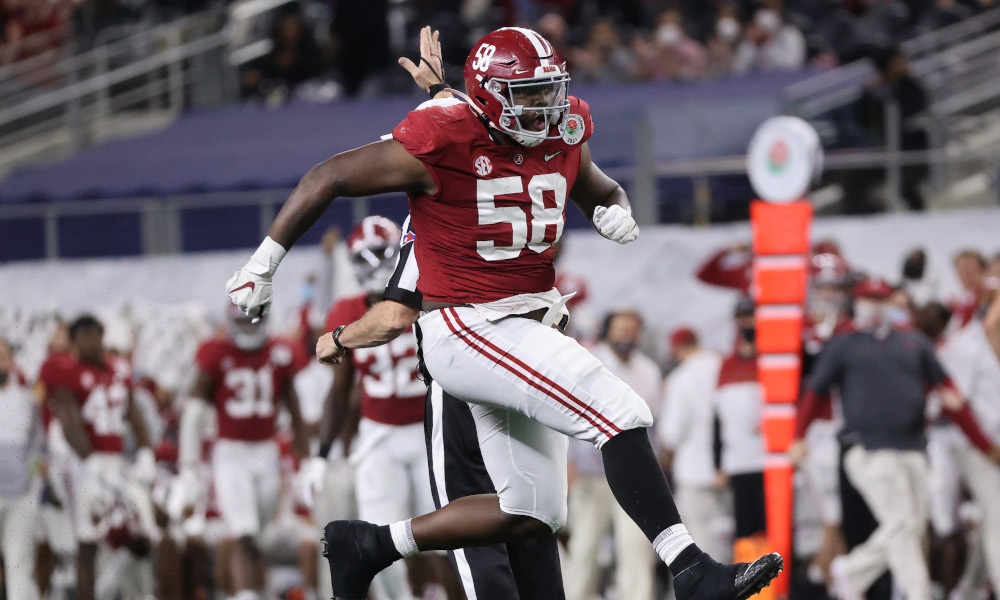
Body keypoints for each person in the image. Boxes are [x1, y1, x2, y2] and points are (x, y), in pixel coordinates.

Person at [226, 25, 782, 600]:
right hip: (470, 325)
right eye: (528, 94)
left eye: (549, 91)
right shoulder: (443, 139)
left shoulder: (561, 130)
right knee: (619, 409)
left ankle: (370, 545)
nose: (545, 107)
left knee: (533, 511)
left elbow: (598, 188)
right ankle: (689, 569)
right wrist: (263, 265)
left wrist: (613, 207)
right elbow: (329, 176)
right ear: (489, 95)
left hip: (525, 322)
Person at [790, 278, 1000, 600]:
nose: (874, 304)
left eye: (881, 298)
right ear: (857, 302)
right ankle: (917, 594)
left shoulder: (914, 343)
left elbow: (948, 389)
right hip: (870, 448)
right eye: (868, 298)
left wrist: (969, 422)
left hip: (914, 447)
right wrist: (798, 435)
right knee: (902, 523)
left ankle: (853, 570)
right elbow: (815, 391)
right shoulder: (845, 344)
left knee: (912, 528)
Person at [301, 215, 454, 600]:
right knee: (380, 539)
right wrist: (321, 454)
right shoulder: (345, 311)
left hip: (431, 432)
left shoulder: (429, 296)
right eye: (364, 259)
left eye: (382, 255)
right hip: (378, 438)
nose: (373, 268)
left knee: (447, 538)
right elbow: (341, 390)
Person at [176, 307, 310, 600]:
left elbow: (295, 410)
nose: (249, 328)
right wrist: (188, 464)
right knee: (243, 532)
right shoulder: (215, 352)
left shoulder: (280, 352)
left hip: (267, 452)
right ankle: (246, 594)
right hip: (231, 454)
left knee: (256, 536)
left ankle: (253, 590)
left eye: (254, 320)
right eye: (242, 321)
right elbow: (194, 414)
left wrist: (308, 462)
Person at [37, 315, 160, 600]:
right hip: (82, 464)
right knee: (89, 538)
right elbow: (69, 420)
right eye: (85, 335)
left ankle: (132, 592)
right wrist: (89, 461)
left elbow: (135, 414)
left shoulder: (118, 370)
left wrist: (144, 452)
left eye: (96, 334)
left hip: (117, 462)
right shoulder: (65, 369)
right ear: (74, 340)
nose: (92, 341)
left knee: (142, 531)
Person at [564, 309, 661, 600]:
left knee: (636, 549)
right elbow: (567, 413)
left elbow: (653, 427)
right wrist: (568, 460)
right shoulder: (588, 362)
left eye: (632, 329)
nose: (627, 335)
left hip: (634, 476)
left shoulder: (649, 371)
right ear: (607, 330)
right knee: (584, 549)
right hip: (593, 473)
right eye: (621, 328)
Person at [657, 327, 728, 561]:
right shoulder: (724, 365)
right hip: (731, 467)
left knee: (700, 541)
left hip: (694, 471)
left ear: (678, 350)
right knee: (729, 537)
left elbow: (671, 434)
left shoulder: (681, 378)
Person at [0, 338, 43, 600]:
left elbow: (39, 446)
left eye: (2, 356)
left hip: (20, 496)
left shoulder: (27, 401)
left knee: (19, 565)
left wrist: (33, 486)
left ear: (11, 361)